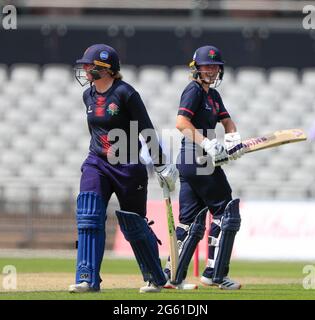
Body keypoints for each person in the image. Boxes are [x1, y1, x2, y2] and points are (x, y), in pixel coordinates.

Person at [68, 44, 178, 293]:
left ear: (106, 69)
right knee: (89, 214)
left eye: (90, 65)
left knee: (134, 224)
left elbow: (146, 129)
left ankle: (154, 277)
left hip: (128, 167)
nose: (85, 69)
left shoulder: (126, 93)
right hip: (97, 162)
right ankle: (87, 277)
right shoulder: (88, 95)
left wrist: (161, 164)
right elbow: (97, 132)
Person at [165, 45, 245, 290]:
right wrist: (209, 143)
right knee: (226, 212)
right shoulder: (194, 90)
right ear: (196, 68)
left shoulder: (213, 95)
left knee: (190, 221)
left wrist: (232, 137)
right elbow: (181, 122)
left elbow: (227, 121)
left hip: (193, 162)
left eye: (215, 67)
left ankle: (172, 276)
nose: (211, 70)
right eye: (206, 66)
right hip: (196, 157)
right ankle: (215, 274)